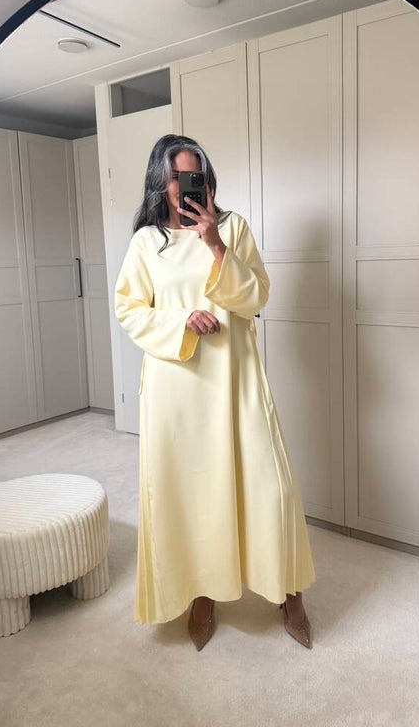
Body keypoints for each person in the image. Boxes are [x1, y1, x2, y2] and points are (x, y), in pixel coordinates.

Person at [114, 134, 316, 651]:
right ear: (161, 181)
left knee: (269, 488)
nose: (186, 186)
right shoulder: (146, 243)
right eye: (177, 176)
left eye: (195, 175)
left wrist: (215, 245)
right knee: (192, 492)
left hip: (235, 376)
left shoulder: (233, 228)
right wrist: (181, 320)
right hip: (176, 386)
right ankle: (203, 594)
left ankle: (288, 592)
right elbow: (129, 309)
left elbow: (256, 298)